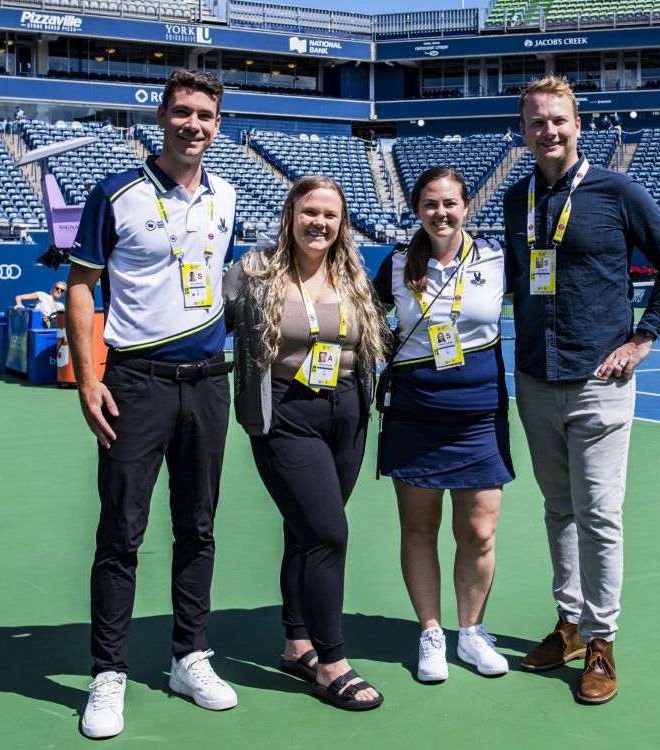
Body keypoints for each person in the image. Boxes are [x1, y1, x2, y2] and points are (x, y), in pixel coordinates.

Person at [502, 75, 660, 705]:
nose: (548, 131)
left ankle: (603, 641)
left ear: (577, 125)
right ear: (523, 131)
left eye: (558, 120)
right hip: (534, 377)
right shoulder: (516, 197)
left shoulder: (616, 190)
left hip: (599, 382)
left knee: (599, 518)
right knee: (559, 512)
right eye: (536, 122)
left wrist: (644, 338)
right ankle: (570, 626)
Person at [66, 69, 238, 740]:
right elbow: (81, 289)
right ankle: (107, 673)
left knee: (198, 526)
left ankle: (187, 656)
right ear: (160, 117)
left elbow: (231, 283)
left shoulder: (227, 196)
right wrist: (89, 378)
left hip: (209, 380)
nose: (194, 125)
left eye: (206, 116)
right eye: (183, 112)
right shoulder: (115, 193)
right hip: (136, 381)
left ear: (218, 125)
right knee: (121, 533)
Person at [223, 175, 387, 711]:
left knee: (305, 532)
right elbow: (198, 315)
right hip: (286, 413)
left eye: (330, 215)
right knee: (328, 533)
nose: (319, 223)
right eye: (309, 211)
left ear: (342, 224)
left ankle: (297, 644)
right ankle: (331, 662)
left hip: (347, 414)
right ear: (290, 214)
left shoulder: (354, 276)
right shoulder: (253, 272)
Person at [372, 167, 513, 683]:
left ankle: (472, 633)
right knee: (419, 528)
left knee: (478, 531)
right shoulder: (394, 265)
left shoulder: (498, 258)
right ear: (418, 210)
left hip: (479, 416)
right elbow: (366, 321)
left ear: (466, 206)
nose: (441, 213)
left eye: (450, 203)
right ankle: (431, 632)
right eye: (430, 204)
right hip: (415, 415)